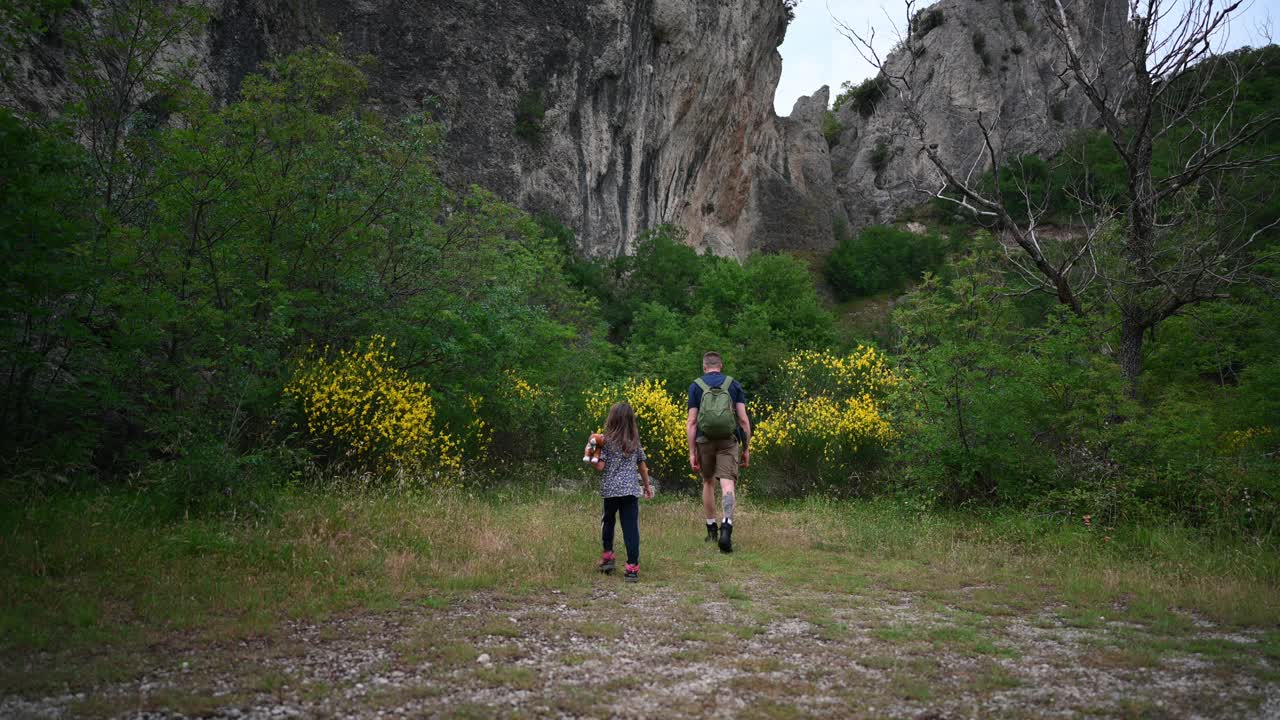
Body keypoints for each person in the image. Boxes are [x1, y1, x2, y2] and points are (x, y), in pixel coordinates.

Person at [687, 351, 750, 553]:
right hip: (728, 440)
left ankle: (712, 528)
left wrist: (691, 452)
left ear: (704, 367)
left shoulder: (696, 385)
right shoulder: (733, 384)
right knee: (727, 483)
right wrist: (746, 448)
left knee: (707, 481)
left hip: (704, 440)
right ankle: (727, 527)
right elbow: (743, 420)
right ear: (720, 366)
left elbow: (692, 422)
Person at [592, 402, 654, 582]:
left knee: (608, 522)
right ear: (630, 421)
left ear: (612, 419)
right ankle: (632, 568)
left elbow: (600, 466)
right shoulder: (635, 441)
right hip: (630, 492)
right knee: (631, 529)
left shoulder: (605, 441)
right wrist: (647, 487)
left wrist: (591, 455)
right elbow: (642, 467)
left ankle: (608, 558)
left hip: (610, 491)